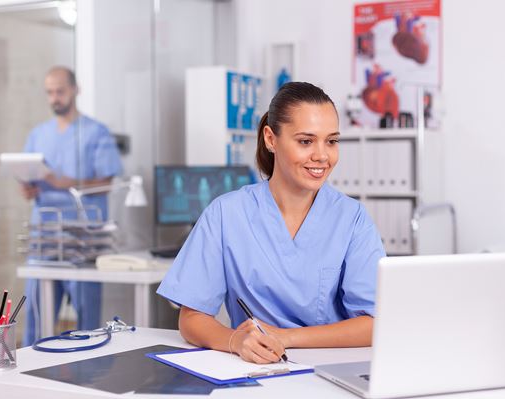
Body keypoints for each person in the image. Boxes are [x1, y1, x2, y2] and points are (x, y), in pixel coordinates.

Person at [157, 82, 385, 364]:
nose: (322, 155)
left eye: (332, 141)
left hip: (332, 370)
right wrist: (235, 340)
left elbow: (375, 323)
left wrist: (285, 337)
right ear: (270, 139)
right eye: (305, 141)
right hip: (256, 367)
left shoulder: (352, 219)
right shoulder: (226, 214)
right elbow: (191, 319)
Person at [20, 66, 123, 346]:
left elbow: (107, 181)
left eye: (60, 91)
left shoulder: (95, 133)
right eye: (50, 93)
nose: (55, 98)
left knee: (87, 322)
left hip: (82, 239)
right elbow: (29, 174)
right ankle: (30, 381)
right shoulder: (38, 134)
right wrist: (28, 187)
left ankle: (84, 379)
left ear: (76, 90)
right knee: (35, 316)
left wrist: (64, 181)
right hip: (44, 238)